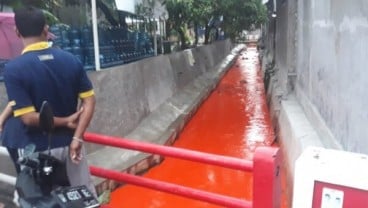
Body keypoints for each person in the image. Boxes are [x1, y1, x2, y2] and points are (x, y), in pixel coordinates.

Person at [3, 6, 96, 195]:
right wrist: (77, 136)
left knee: (40, 200)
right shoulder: (71, 60)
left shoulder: (14, 69)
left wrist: (65, 122)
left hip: (35, 150)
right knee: (82, 198)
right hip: (71, 145)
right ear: (46, 29)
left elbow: (28, 118)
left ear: (17, 31)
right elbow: (89, 101)